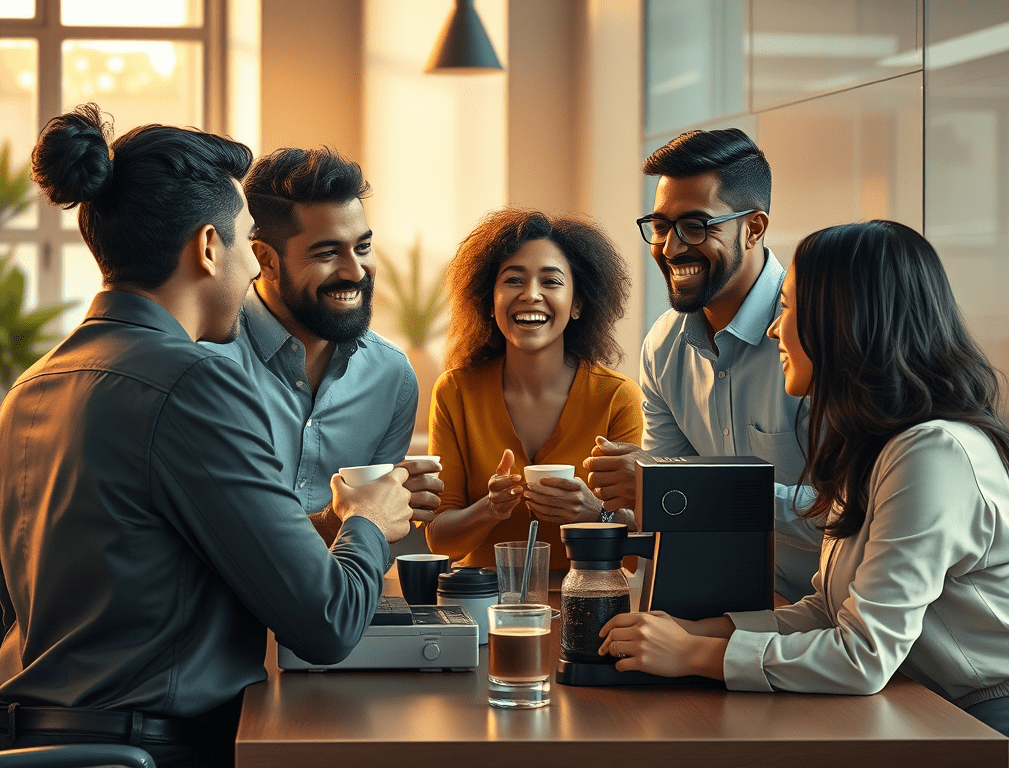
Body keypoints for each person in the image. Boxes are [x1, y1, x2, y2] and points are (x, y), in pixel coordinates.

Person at [0, 105, 414, 767]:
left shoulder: (32, 388)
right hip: (158, 751)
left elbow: (140, 556)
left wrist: (325, 523)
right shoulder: (194, 381)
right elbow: (327, 623)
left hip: (39, 744)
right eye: (246, 242)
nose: (255, 270)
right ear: (207, 247)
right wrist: (368, 520)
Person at [598, 220, 1009, 764]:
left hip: (992, 720)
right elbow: (827, 609)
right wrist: (694, 629)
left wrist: (695, 655)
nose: (775, 330)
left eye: (789, 308)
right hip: (927, 707)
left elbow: (863, 656)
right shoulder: (875, 447)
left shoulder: (931, 453)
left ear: (843, 322)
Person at [583, 128, 820, 603]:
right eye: (661, 225)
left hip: (835, 618)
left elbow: (852, 517)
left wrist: (670, 483)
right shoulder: (664, 345)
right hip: (733, 606)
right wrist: (631, 498)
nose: (670, 248)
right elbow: (677, 516)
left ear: (753, 228)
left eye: (695, 226)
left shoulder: (814, 330)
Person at [210, 147, 441, 544]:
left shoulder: (392, 377)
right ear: (264, 259)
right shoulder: (211, 361)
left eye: (363, 247)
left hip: (346, 603)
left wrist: (393, 506)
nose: (355, 271)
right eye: (328, 252)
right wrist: (348, 517)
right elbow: (220, 539)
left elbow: (375, 540)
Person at [425, 209, 643, 571]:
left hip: (589, 601)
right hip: (481, 604)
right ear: (489, 299)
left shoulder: (617, 398)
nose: (531, 295)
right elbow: (440, 542)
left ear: (577, 303)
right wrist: (489, 509)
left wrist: (596, 515)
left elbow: (641, 546)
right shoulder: (455, 392)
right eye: (513, 280)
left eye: (551, 282)